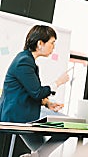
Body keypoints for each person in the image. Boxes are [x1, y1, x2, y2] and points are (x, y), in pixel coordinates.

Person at [0, 25, 70, 157]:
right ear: (40, 43)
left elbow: (31, 92)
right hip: (19, 114)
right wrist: (58, 83)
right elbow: (37, 92)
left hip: (23, 111)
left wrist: (47, 103)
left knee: (41, 151)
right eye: (52, 43)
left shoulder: (26, 59)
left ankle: (35, 156)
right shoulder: (24, 61)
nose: (53, 47)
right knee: (67, 126)